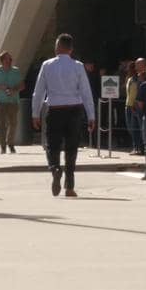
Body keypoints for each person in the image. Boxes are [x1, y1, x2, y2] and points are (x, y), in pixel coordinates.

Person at [32, 34, 96, 197]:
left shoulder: (47, 65)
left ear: (58, 47)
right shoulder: (78, 66)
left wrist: (35, 113)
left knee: (52, 145)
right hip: (74, 109)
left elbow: (39, 91)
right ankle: (69, 186)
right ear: (71, 49)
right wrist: (91, 116)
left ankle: (55, 168)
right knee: (71, 148)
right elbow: (86, 92)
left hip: (55, 109)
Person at [0, 51, 22, 153]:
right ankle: (3, 146)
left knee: (13, 124)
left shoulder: (16, 71)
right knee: (1, 125)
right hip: (0, 102)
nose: (10, 61)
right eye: (8, 59)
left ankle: (10, 143)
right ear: (2, 61)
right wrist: (0, 87)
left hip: (13, 101)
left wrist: (14, 90)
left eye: (11, 59)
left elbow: (22, 85)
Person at [125, 58, 146, 154]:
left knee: (140, 127)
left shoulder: (145, 78)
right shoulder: (132, 78)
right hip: (129, 105)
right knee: (132, 128)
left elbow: (141, 92)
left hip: (138, 106)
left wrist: (136, 103)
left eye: (138, 65)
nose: (136, 67)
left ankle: (142, 148)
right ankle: (136, 147)